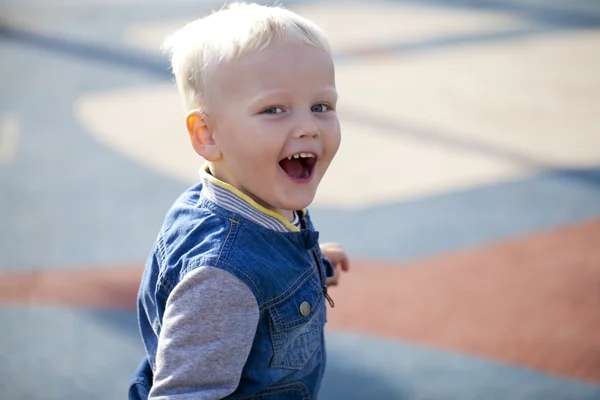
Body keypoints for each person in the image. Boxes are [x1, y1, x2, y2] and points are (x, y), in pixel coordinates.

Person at [129, 2, 350, 399]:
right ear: (207, 134)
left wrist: (308, 266)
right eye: (273, 110)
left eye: (321, 106)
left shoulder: (250, 192)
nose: (307, 127)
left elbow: (263, 269)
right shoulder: (221, 278)